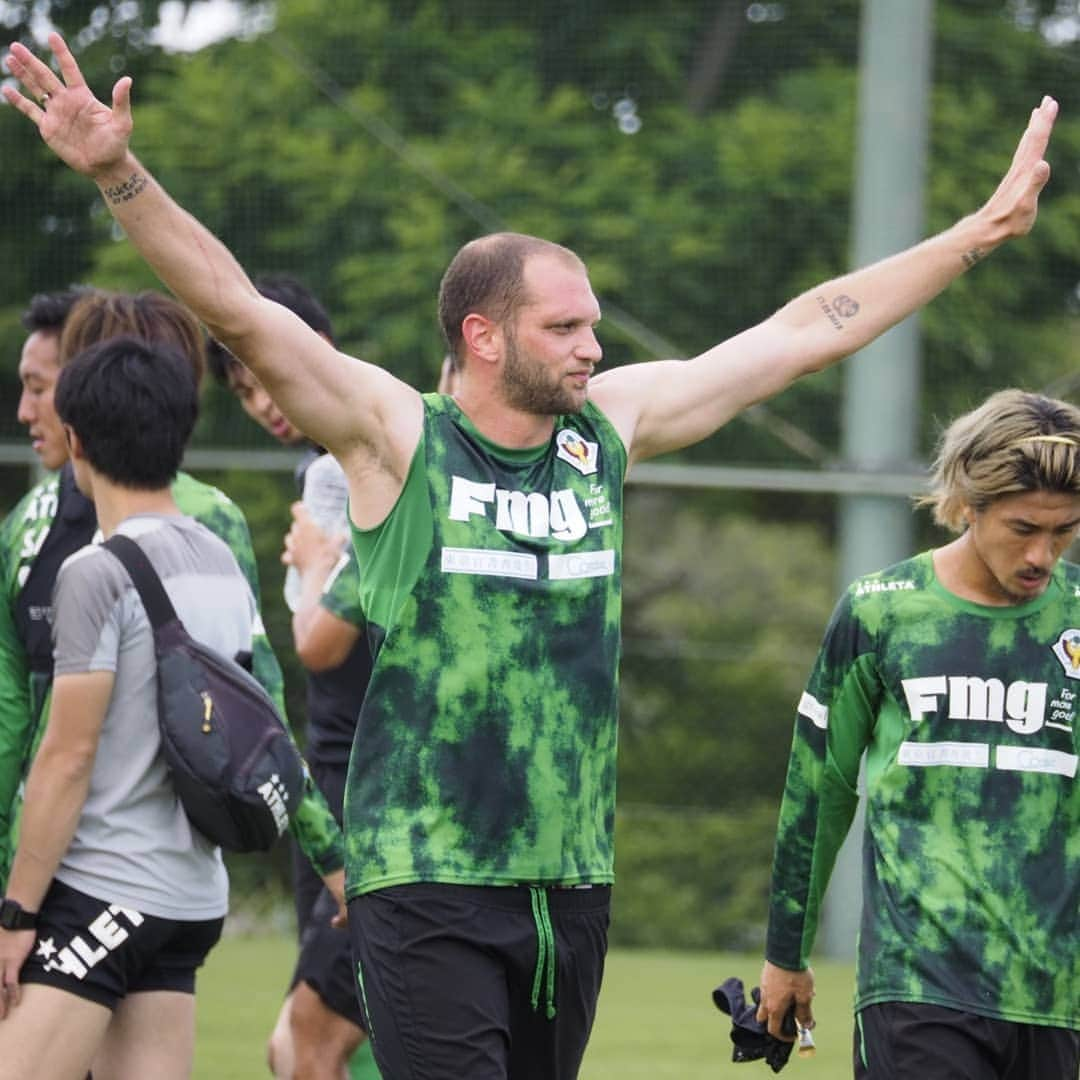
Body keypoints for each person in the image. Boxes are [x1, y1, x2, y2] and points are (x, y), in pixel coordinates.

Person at [1, 32, 1057, 1078]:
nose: (594, 347)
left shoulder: (607, 432)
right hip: (427, 876)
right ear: (483, 336)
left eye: (593, 325)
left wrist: (972, 235)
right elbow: (236, 307)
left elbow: (801, 332)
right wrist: (119, 173)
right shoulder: (395, 437)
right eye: (566, 327)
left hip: (571, 888)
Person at [757, 389, 1080, 1079]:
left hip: (1059, 995)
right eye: (1024, 528)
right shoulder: (882, 613)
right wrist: (787, 952)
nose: (1043, 554)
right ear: (969, 503)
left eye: (1064, 531)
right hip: (917, 987)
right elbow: (820, 789)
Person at [0, 287, 346, 902]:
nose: (31, 410)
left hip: (78, 871)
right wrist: (334, 860)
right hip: (153, 878)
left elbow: (16, 729)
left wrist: (15, 891)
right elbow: (257, 700)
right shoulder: (39, 526)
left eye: (42, 386)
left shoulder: (36, 521)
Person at [0, 335, 265, 1077]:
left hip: (107, 891)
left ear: (76, 441)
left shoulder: (95, 573)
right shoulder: (221, 565)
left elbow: (68, 756)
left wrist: (17, 914)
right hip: (188, 900)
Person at [208, 277, 374, 1079]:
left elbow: (325, 642)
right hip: (332, 789)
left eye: (265, 372)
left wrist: (313, 570)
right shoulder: (325, 465)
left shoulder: (342, 468)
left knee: (299, 1049)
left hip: (366, 798)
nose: (262, 400)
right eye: (243, 390)